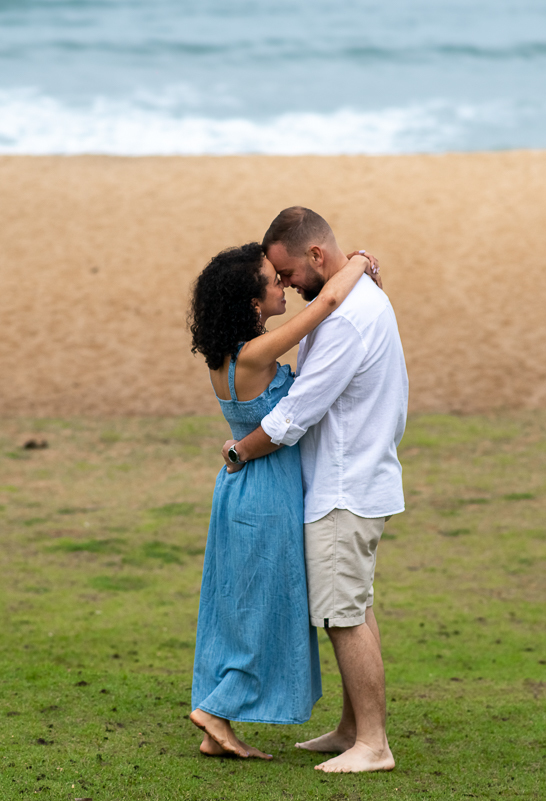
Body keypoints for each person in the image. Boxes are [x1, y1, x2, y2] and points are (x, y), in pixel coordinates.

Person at [222, 207, 407, 774]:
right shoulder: (351, 300)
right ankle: (352, 728)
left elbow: (298, 411)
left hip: (344, 487)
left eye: (287, 273)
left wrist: (241, 450)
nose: (285, 285)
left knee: (344, 614)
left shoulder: (348, 315)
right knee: (352, 606)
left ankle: (373, 744)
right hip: (353, 481)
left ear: (316, 257)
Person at [187, 241, 379, 760]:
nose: (283, 286)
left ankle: (216, 723)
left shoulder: (225, 357)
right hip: (266, 491)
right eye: (274, 281)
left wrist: (235, 450)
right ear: (252, 302)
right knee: (262, 607)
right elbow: (327, 307)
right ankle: (215, 708)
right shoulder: (255, 352)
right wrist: (360, 262)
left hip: (238, 487)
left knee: (238, 603)